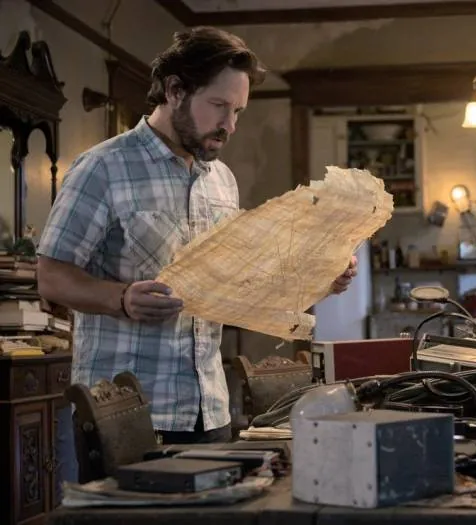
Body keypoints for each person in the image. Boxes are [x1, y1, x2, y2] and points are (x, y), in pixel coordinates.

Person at [36, 26, 357, 445]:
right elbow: (51, 277)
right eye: (219, 106)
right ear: (174, 91)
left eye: (238, 111)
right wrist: (122, 298)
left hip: (210, 409)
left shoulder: (222, 180)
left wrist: (323, 276)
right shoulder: (102, 167)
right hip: (127, 418)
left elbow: (238, 283)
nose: (230, 125)